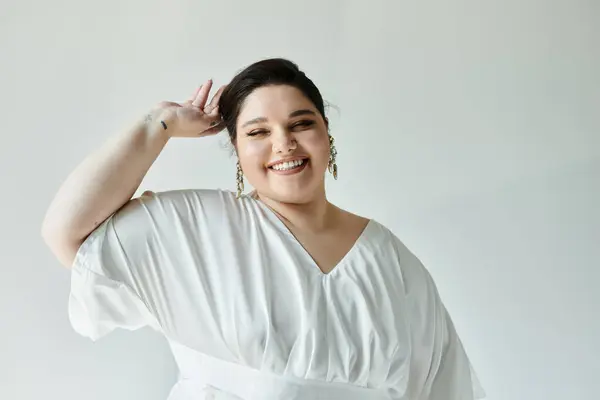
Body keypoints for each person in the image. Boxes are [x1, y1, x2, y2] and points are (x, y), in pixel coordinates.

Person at [41, 58, 485, 400]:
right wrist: (159, 124)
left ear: (327, 135)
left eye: (302, 124)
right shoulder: (196, 228)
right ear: (235, 149)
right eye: (258, 132)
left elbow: (445, 386)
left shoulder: (392, 261)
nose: (284, 143)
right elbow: (68, 234)